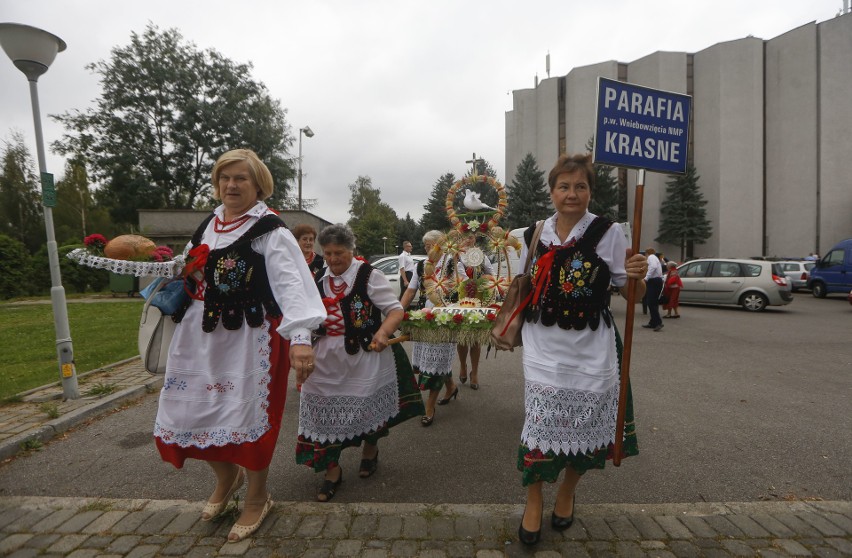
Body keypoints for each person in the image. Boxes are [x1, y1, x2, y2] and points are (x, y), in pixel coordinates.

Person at [154, 149, 326, 543]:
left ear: (258, 184)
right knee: (191, 414)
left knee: (248, 420)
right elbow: (193, 269)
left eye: (240, 179)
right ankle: (226, 477)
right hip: (199, 335)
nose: (231, 185)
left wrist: (301, 340)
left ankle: (257, 496)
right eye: (224, 177)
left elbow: (293, 288)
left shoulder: (271, 231)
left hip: (251, 337)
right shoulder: (209, 224)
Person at [515, 153, 647, 546]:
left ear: (590, 190)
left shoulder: (609, 232)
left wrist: (637, 277)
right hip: (542, 349)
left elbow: (631, 294)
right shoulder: (533, 233)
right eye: (564, 186)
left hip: (591, 347)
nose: (572, 194)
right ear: (552, 191)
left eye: (580, 186)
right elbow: (522, 283)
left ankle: (568, 492)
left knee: (585, 430)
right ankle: (534, 500)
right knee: (538, 430)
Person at [296, 224, 423, 502]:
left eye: (338, 253)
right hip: (326, 359)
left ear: (351, 250)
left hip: (364, 355)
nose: (331, 259)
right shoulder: (318, 279)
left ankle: (370, 450)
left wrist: (383, 332)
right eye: (327, 253)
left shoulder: (369, 276)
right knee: (321, 414)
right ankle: (332, 470)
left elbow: (395, 310)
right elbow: (304, 317)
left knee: (367, 406)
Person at [400, 230, 464, 426]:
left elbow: (466, 287)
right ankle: (451, 386)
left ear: (441, 245)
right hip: (424, 318)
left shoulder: (453, 263)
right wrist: (397, 313)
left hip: (446, 318)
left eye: (431, 246)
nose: (428, 249)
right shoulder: (421, 266)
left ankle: (429, 406)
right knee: (429, 359)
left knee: (437, 360)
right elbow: (411, 290)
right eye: (426, 246)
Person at [456, 236, 495, 390]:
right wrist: (467, 283)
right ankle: (463, 366)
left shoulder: (481, 256)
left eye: (471, 237)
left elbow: (491, 273)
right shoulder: (456, 256)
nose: (467, 240)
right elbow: (458, 277)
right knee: (463, 337)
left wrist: (486, 281)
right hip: (461, 299)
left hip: (479, 300)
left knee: (476, 338)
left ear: (474, 240)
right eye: (465, 237)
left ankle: (475, 372)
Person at [642, 247, 664, 332]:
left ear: (647, 253)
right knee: (653, 302)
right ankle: (653, 322)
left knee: (651, 302)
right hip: (656, 280)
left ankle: (658, 322)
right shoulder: (654, 257)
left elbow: (653, 267)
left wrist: (646, 278)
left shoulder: (651, 257)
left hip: (654, 281)